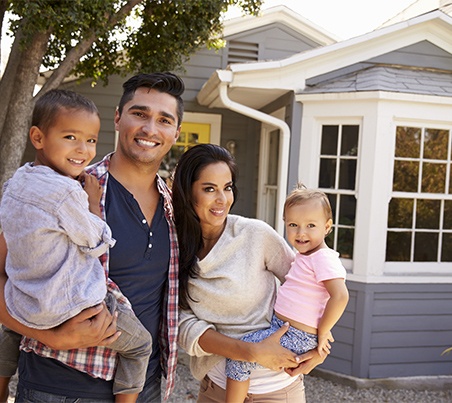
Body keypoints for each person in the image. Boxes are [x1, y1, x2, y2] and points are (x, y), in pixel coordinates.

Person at [0, 72, 183, 402]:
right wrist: (47, 335)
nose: (150, 129)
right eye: (139, 114)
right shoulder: (70, 189)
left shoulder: (173, 207)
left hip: (148, 387)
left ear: (175, 132)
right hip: (58, 389)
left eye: (164, 120)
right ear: (117, 117)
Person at [173, 144, 327, 403]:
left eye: (228, 187)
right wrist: (249, 351)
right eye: (209, 189)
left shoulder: (256, 235)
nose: (222, 200)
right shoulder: (174, 247)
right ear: (188, 192)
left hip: (277, 390)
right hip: (217, 391)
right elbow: (181, 324)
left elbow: (309, 287)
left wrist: (321, 346)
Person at [224, 184, 349, 402]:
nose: (301, 233)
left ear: (327, 227)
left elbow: (340, 296)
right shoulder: (306, 256)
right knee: (245, 349)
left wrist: (323, 331)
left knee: (239, 355)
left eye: (311, 225)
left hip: (297, 335)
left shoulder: (323, 258)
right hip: (285, 329)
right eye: (293, 225)